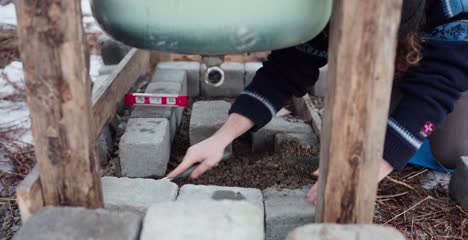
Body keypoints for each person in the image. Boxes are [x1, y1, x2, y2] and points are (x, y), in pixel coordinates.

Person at [168, 0, 468, 202]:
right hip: (404, 55)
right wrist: (221, 139)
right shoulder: (324, 7)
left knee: (451, 151)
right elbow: (285, 71)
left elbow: (439, 84)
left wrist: (377, 162)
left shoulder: (450, 7)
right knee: (371, 129)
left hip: (457, 58)